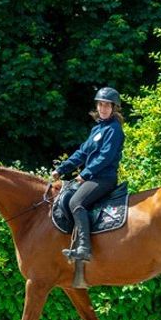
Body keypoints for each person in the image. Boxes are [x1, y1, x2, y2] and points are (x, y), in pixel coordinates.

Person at [51, 87, 125, 262]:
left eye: (107, 105)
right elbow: (82, 153)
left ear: (114, 108)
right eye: (100, 105)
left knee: (76, 202)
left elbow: (105, 157)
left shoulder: (114, 129)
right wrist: (61, 169)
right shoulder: (97, 129)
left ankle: (84, 248)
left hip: (104, 179)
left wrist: (85, 174)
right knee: (65, 195)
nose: (103, 108)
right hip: (93, 177)